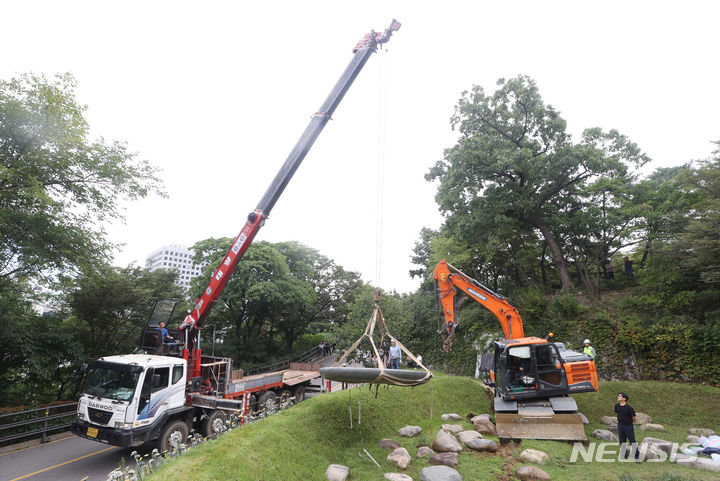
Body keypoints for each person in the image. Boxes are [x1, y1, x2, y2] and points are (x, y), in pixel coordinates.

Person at [615, 392, 640, 461]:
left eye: (620, 396)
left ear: (624, 398)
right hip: (620, 425)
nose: (618, 397)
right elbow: (617, 413)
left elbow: (634, 418)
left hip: (628, 426)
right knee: (622, 441)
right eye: (618, 396)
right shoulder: (617, 406)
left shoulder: (629, 408)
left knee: (632, 441)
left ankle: (637, 457)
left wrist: (629, 423)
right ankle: (624, 455)